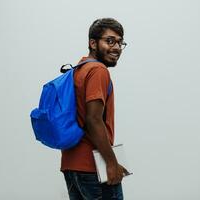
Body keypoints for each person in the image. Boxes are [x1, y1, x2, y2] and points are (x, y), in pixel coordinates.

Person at [61, 18, 128, 200]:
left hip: (71, 165)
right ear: (93, 43)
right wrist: (112, 163)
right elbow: (93, 119)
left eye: (120, 42)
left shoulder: (79, 69)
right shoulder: (98, 71)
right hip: (94, 169)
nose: (116, 47)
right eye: (110, 40)